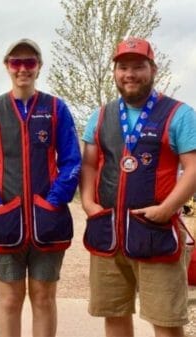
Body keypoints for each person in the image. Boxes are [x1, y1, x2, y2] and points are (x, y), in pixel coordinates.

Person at [80, 37, 196, 337]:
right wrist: (89, 205)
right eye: (123, 67)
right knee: (114, 316)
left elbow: (193, 167)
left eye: (138, 66)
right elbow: (90, 164)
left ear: (153, 69)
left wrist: (167, 209)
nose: (130, 74)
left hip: (156, 232)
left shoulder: (179, 113)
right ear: (115, 72)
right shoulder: (101, 115)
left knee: (167, 323)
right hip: (108, 232)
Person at [0, 38, 81, 337]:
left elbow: (72, 160)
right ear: (7, 66)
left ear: (39, 67)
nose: (23, 69)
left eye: (29, 62)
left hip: (48, 220)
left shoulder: (56, 108)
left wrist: (55, 200)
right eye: (16, 63)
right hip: (5, 219)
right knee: (9, 299)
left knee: (44, 298)